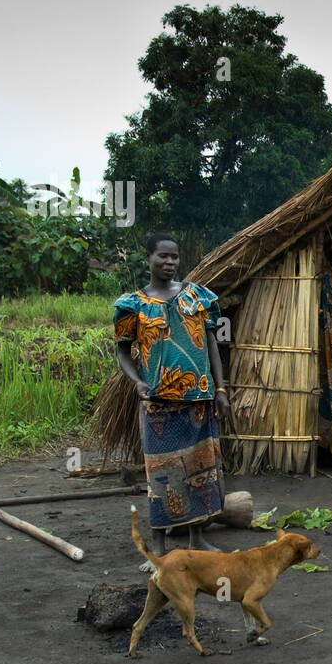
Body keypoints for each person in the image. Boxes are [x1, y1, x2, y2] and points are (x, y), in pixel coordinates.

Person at [113, 235, 231, 572]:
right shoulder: (133, 305)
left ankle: (197, 539)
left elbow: (211, 344)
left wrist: (220, 390)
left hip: (198, 399)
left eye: (175, 257)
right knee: (161, 474)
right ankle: (160, 548)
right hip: (158, 404)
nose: (170, 262)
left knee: (201, 468)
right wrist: (137, 381)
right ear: (148, 257)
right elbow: (122, 350)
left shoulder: (196, 296)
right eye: (163, 256)